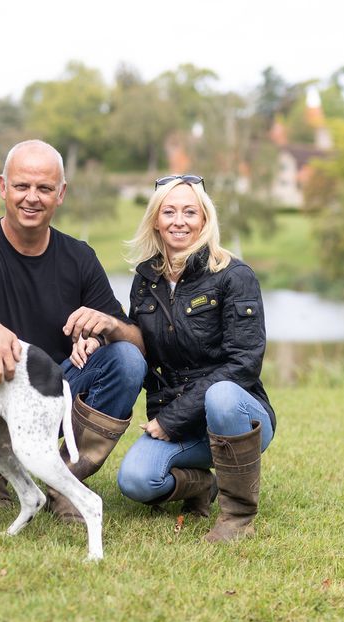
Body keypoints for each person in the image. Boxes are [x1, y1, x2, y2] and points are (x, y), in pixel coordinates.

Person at [0, 139, 146, 522]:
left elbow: (138, 344)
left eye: (44, 188)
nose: (32, 198)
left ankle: (64, 481)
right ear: (3, 187)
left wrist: (108, 326)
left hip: (51, 391)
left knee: (126, 360)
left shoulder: (79, 257)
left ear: (60, 194)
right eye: (22, 186)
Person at [114, 174, 276, 543]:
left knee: (221, 392)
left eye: (190, 212)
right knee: (136, 481)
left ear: (204, 219)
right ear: (156, 219)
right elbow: (140, 344)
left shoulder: (234, 275)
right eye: (169, 212)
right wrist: (101, 337)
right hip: (183, 423)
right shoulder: (145, 279)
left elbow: (244, 363)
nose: (179, 221)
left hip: (239, 418)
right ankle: (203, 487)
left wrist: (170, 420)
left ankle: (237, 516)